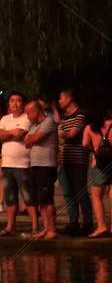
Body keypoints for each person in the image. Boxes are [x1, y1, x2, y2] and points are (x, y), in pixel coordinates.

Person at [0, 93, 32, 235]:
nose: (15, 104)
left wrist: (6, 133)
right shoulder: (5, 118)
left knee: (28, 197)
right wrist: (11, 133)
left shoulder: (27, 117)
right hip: (7, 164)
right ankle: (10, 227)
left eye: (18, 101)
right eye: (12, 101)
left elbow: (20, 134)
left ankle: (35, 227)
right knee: (10, 197)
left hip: (23, 164)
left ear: (23, 103)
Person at [24, 98, 59, 240]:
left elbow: (33, 139)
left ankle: (52, 229)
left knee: (47, 199)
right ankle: (46, 228)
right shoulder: (34, 126)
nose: (27, 117)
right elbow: (26, 141)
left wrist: (32, 138)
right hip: (35, 166)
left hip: (46, 165)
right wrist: (32, 138)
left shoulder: (49, 121)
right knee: (41, 200)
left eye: (28, 113)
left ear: (36, 111)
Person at [56, 90, 89, 235]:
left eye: (61, 98)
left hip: (78, 160)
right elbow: (61, 136)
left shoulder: (80, 115)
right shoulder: (65, 117)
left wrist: (63, 134)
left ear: (69, 98)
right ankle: (73, 222)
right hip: (66, 159)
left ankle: (87, 223)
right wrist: (63, 135)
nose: (59, 101)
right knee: (68, 193)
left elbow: (70, 134)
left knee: (81, 193)